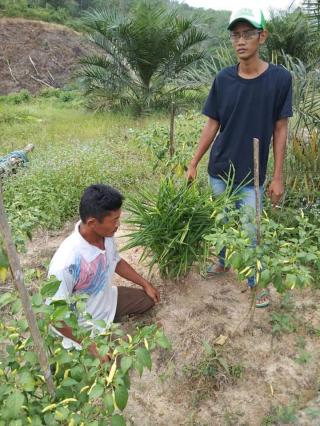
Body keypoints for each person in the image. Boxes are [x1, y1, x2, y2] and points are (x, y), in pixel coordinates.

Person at [186, 7, 292, 307]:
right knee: (222, 223)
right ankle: (222, 261)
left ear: (262, 36)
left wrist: (278, 177)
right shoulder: (223, 79)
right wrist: (194, 163)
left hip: (252, 175)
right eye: (236, 35)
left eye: (247, 34)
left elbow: (280, 128)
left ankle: (254, 283)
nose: (240, 41)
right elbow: (212, 123)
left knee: (251, 231)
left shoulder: (280, 80)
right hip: (219, 168)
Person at [48, 183, 160, 361]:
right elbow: (55, 318)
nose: (118, 225)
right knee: (112, 363)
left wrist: (145, 284)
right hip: (84, 326)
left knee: (149, 300)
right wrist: (90, 346)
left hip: (108, 300)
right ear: (92, 222)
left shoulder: (105, 236)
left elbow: (116, 261)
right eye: (114, 220)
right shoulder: (65, 264)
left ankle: (111, 320)